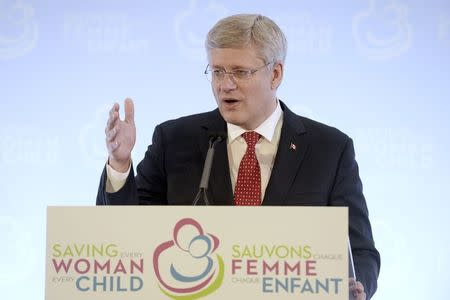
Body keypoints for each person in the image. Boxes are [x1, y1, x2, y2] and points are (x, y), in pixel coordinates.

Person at [97, 14, 380, 299]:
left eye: (240, 72)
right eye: (217, 71)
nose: (225, 85)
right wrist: (120, 164)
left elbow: (360, 251)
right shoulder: (174, 140)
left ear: (276, 74)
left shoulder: (329, 149)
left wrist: (357, 290)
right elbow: (127, 239)